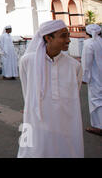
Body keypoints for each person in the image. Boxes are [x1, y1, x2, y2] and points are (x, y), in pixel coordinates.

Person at [18, 20, 84, 158]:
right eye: (63, 36)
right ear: (48, 38)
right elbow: (27, 90)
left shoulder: (74, 66)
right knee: (36, 150)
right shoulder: (27, 62)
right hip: (37, 118)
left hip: (66, 120)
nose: (68, 40)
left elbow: (75, 95)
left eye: (68, 35)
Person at [82, 24, 102, 136]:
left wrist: (84, 78)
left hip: (95, 77)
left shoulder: (89, 44)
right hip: (100, 74)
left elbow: (86, 63)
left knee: (96, 101)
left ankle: (98, 126)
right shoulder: (100, 41)